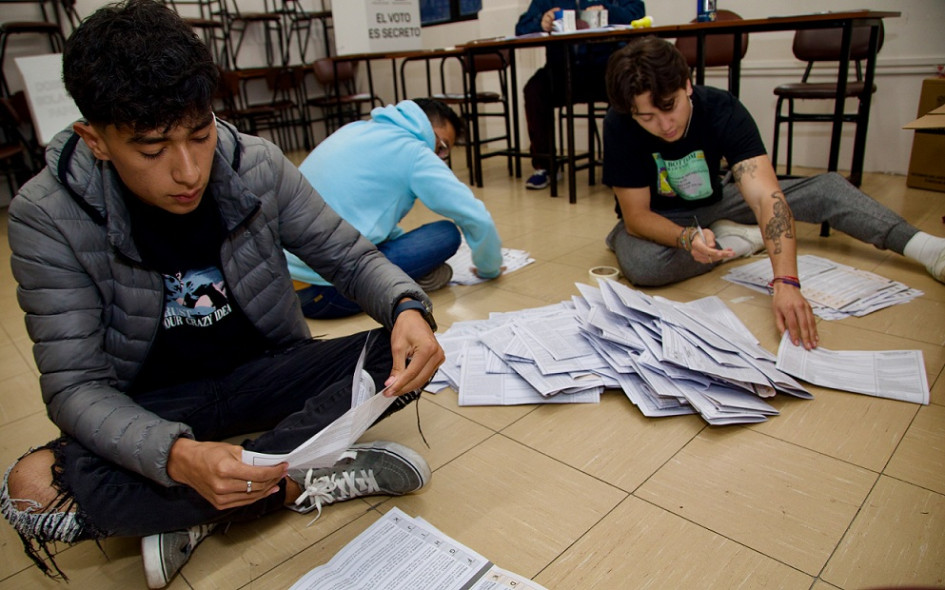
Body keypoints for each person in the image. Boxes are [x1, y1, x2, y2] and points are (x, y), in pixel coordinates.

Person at [0, 1, 445, 588]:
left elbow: (351, 257)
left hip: (262, 372)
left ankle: (209, 504)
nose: (188, 171)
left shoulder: (255, 164)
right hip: (153, 403)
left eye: (200, 133)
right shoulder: (46, 214)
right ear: (97, 139)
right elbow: (74, 387)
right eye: (152, 150)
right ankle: (297, 477)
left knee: (403, 353)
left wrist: (407, 308)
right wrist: (176, 456)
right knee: (30, 491)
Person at [602, 36, 945, 350]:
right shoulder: (620, 123)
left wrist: (785, 280)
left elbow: (766, 197)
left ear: (687, 85)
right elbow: (636, 218)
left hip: (718, 199)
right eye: (647, 117)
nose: (664, 125)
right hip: (664, 220)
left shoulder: (722, 109)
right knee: (643, 265)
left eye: (669, 106)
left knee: (825, 189)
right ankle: (735, 241)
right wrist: (686, 238)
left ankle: (928, 249)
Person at [287, 98, 504, 319]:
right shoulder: (414, 152)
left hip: (287, 285)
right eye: (442, 147)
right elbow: (475, 216)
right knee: (445, 234)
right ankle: (409, 282)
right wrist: (489, 268)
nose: (439, 157)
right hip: (330, 292)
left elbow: (362, 210)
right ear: (428, 128)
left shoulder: (358, 128)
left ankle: (411, 277)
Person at [515, 0, 646, 190]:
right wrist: (540, 22)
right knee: (534, 90)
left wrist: (608, 12)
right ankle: (546, 166)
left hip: (604, 69)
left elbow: (639, 14)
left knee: (624, 86)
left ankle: (620, 166)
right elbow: (521, 28)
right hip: (561, 71)